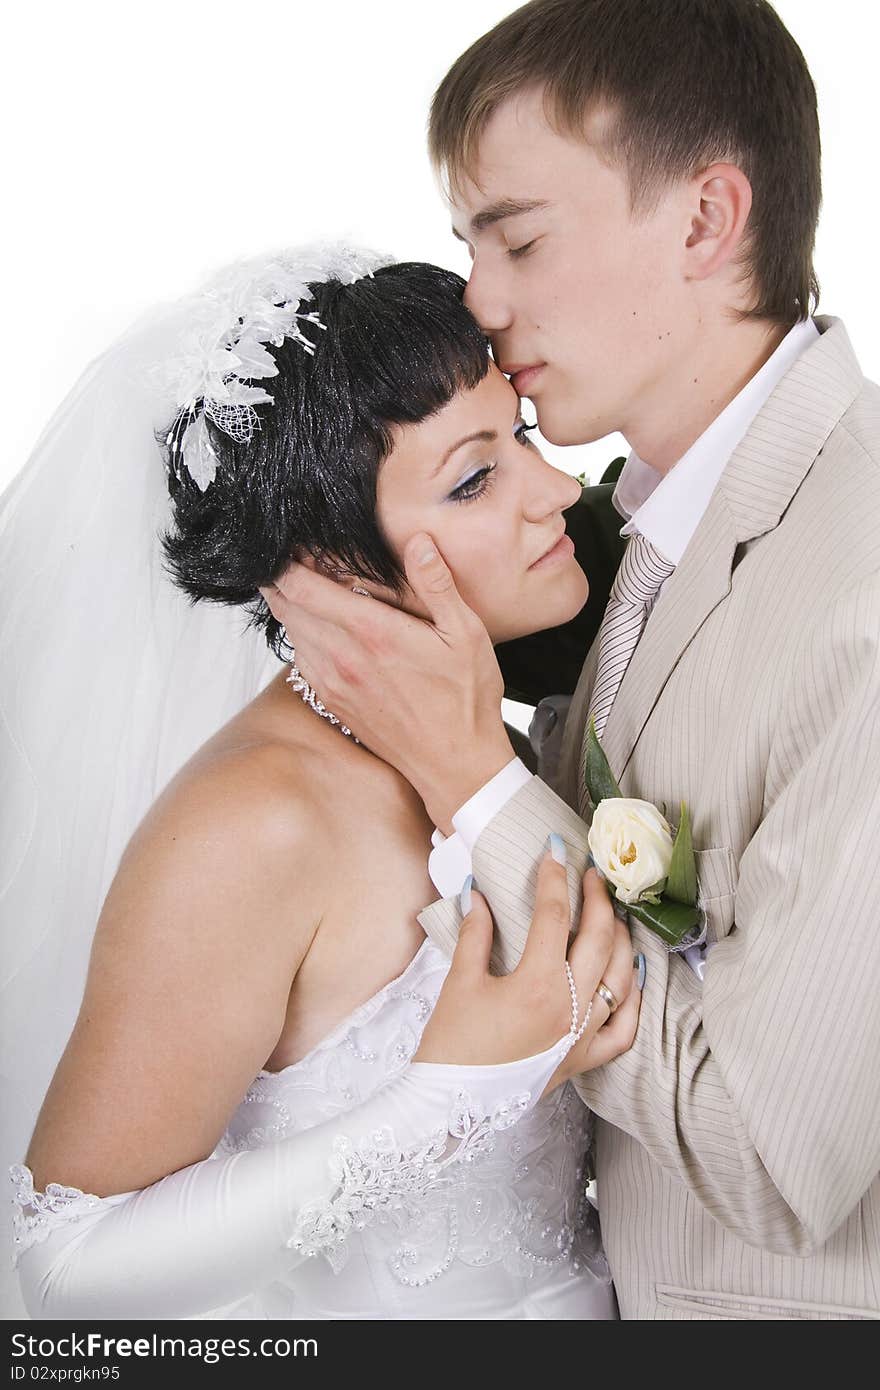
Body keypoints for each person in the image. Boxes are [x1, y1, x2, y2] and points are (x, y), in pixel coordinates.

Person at [262, 0, 880, 1319]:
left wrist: (470, 776)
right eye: (466, 244)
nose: (480, 302)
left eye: (520, 237)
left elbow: (775, 1155)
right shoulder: (635, 523)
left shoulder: (861, 586)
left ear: (710, 221)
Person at [3, 248, 640, 1321]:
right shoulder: (257, 824)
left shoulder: (501, 747)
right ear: (326, 567)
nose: (557, 492)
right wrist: (449, 1098)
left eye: (519, 435)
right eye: (476, 476)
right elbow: (66, 1269)